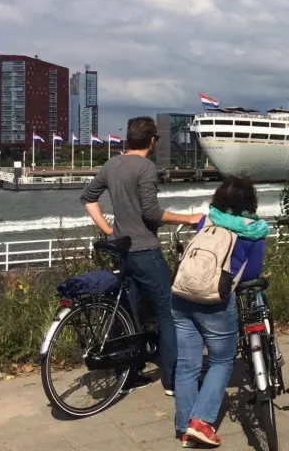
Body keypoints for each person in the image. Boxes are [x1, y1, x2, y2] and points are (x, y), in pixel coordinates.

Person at [80, 116, 204, 396]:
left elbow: (88, 197)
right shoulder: (146, 167)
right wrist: (189, 218)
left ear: (128, 139)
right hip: (145, 250)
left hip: (121, 250)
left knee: (128, 309)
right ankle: (173, 380)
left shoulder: (111, 164)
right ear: (152, 141)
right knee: (168, 310)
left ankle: (127, 373)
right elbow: (151, 213)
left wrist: (109, 230)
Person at [174, 175, 269, 447]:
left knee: (187, 364)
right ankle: (201, 422)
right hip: (215, 301)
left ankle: (184, 427)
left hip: (181, 296)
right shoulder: (253, 231)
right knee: (222, 360)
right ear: (250, 201)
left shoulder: (207, 221)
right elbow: (251, 274)